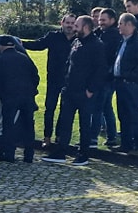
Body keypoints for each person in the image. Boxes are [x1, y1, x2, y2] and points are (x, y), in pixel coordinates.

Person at [42, 15, 105, 166]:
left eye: (77, 25)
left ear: (85, 27)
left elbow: (101, 70)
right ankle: (61, 151)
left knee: (84, 124)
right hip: (69, 90)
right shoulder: (77, 42)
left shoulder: (97, 45)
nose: (73, 28)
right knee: (65, 122)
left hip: (84, 92)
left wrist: (90, 90)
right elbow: (69, 63)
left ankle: (83, 154)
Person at [22, 13, 77, 149]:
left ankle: (59, 136)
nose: (69, 26)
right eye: (67, 23)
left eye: (72, 23)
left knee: (65, 110)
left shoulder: (78, 40)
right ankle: (47, 137)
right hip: (53, 79)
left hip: (70, 80)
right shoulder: (53, 37)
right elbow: (38, 45)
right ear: (62, 23)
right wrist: (20, 43)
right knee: (50, 108)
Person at [0, 35, 39, 163]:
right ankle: (29, 155)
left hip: (10, 96)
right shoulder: (24, 58)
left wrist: (1, 95)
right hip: (27, 96)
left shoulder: (0, 59)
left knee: (8, 125)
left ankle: (9, 154)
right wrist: (32, 90)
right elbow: (35, 75)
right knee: (29, 125)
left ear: (1, 46)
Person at [112, 13, 138, 153]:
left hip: (132, 84)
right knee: (123, 114)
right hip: (120, 82)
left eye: (121, 23)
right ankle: (126, 144)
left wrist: (128, 76)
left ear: (129, 25)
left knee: (134, 114)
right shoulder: (124, 40)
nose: (118, 26)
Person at [90, 7, 121, 148]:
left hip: (105, 78)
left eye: (103, 20)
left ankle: (92, 139)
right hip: (108, 77)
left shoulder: (112, 35)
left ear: (112, 20)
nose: (99, 22)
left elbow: (104, 55)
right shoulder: (103, 33)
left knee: (97, 107)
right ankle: (112, 136)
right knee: (106, 107)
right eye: (99, 19)